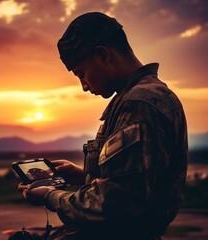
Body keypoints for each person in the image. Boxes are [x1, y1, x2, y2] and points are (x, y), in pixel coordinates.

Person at [18, 12, 188, 240]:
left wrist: (51, 196)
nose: (84, 87)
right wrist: (85, 175)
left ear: (103, 55)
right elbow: (133, 183)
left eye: (82, 74)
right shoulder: (144, 96)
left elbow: (114, 205)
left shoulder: (138, 104)